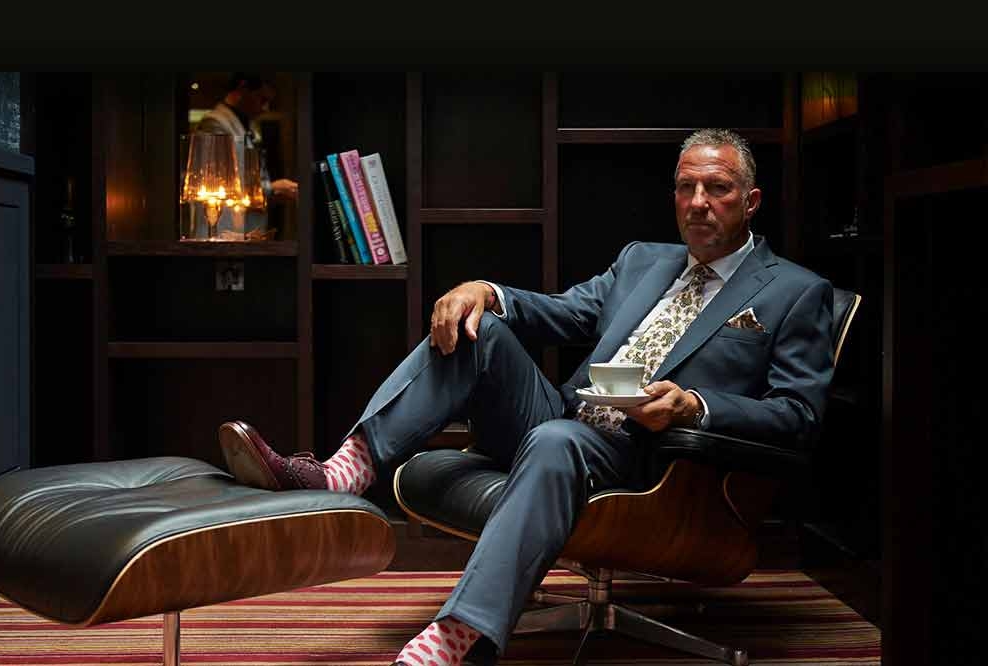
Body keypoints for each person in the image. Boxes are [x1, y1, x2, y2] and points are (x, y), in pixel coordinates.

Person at [217, 129, 835, 666]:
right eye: (686, 187)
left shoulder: (793, 291)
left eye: (718, 188)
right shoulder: (643, 260)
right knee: (477, 327)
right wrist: (485, 290)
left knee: (556, 439)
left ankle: (460, 634)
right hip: (565, 422)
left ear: (751, 200)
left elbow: (798, 415)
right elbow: (565, 312)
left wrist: (694, 406)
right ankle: (346, 469)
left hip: (656, 463)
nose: (698, 202)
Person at [193, 72, 298, 238]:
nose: (265, 108)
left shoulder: (244, 124)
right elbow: (217, 184)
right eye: (262, 99)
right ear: (243, 88)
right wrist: (271, 189)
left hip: (240, 228)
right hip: (223, 229)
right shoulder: (214, 124)